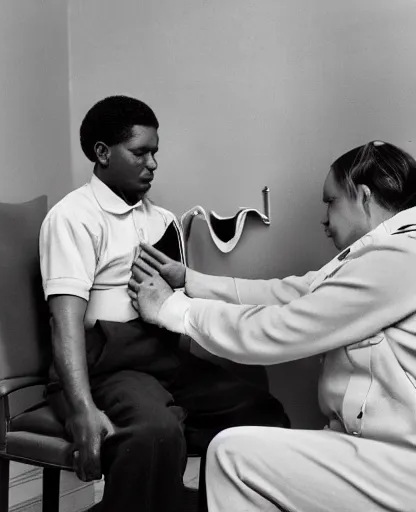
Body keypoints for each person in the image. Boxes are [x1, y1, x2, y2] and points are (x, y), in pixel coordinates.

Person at [129, 140, 416, 512]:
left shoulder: (400, 258)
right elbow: (295, 293)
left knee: (230, 455)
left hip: (399, 464)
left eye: (330, 201)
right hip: (376, 450)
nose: (325, 219)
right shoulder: (383, 254)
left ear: (362, 197)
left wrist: (173, 309)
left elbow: (281, 327)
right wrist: (190, 279)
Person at [39, 95, 288, 512]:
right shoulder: (73, 217)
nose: (153, 163)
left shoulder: (164, 220)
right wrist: (81, 408)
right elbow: (63, 323)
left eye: (155, 152)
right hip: (107, 369)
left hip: (164, 361)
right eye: (140, 152)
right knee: (155, 431)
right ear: (102, 153)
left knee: (261, 411)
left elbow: (178, 306)